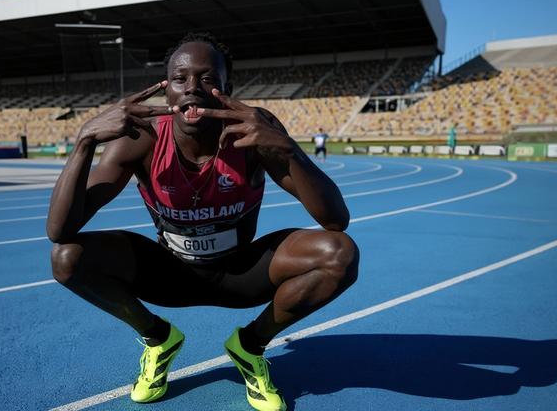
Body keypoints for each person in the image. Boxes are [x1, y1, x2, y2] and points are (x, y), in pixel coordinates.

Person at [47, 32, 359, 411]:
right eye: (180, 79)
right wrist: (84, 140)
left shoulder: (254, 130)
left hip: (241, 273)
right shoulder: (142, 136)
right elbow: (59, 230)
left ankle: (250, 346)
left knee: (339, 254)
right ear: (167, 90)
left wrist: (286, 147)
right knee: (67, 258)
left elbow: (335, 219)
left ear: (227, 88)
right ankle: (158, 338)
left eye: (208, 79)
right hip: (170, 275)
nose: (192, 88)